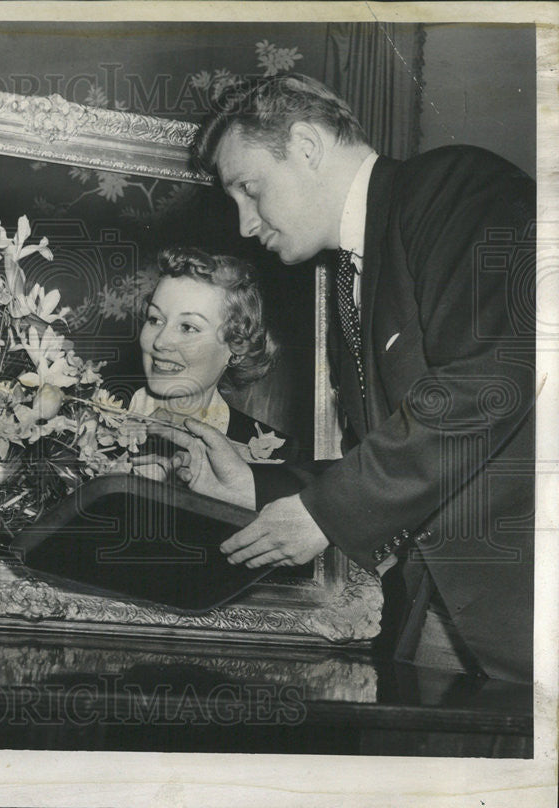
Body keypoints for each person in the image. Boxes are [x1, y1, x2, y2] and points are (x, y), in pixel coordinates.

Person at [169, 73, 535, 682]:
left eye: (250, 189)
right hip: (446, 621)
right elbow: (380, 454)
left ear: (307, 146)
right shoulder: (348, 283)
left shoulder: (454, 188)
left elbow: (490, 377)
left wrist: (323, 515)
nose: (243, 224)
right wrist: (256, 487)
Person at [128, 247, 296, 510]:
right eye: (155, 319)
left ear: (235, 347)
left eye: (188, 327)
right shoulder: (83, 422)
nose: (160, 342)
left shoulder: (275, 455)